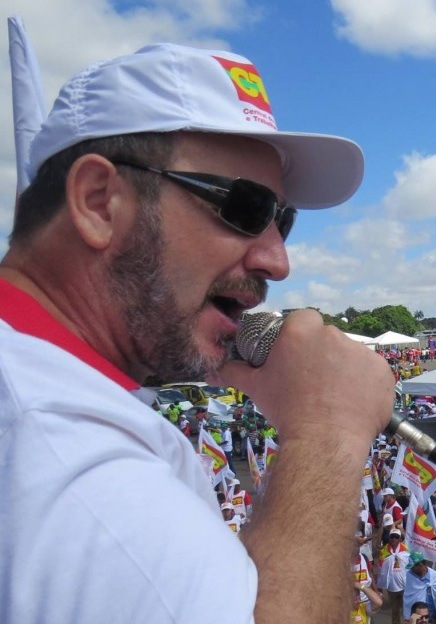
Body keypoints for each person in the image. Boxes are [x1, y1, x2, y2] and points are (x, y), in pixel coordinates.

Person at [0, 38, 387, 624]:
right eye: (244, 208)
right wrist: (327, 428)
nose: (277, 261)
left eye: (283, 220)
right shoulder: (69, 462)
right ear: (98, 201)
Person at [403, 552, 436, 620]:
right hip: (418, 617)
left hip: (434, 615)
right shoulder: (409, 575)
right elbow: (408, 597)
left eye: (413, 567)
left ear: (421, 565)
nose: (411, 569)